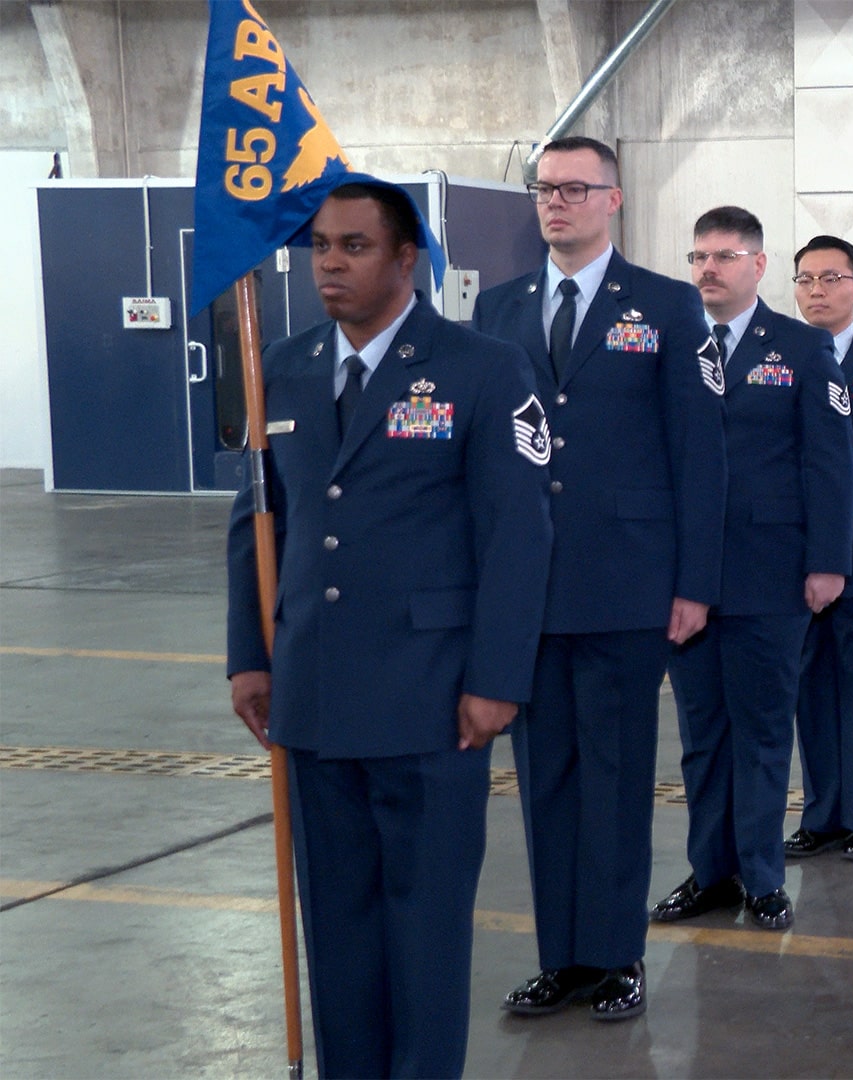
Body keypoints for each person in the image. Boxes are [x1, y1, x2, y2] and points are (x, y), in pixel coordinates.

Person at [226, 179, 552, 1078]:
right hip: (315, 697)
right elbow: (258, 520)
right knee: (337, 926)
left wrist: (497, 681)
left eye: (355, 246)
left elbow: (518, 535)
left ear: (407, 260)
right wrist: (250, 658)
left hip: (431, 699)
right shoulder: (282, 366)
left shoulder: (480, 368)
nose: (331, 262)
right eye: (321, 246)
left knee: (426, 930)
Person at [473, 135, 726, 1022]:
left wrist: (694, 582)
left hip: (628, 582)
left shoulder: (665, 306)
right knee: (545, 780)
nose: (558, 203)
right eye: (546, 189)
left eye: (577, 189)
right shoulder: (498, 310)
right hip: (527, 590)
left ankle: (618, 956)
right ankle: (564, 959)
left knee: (616, 776)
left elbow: (700, 453)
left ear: (614, 201)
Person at [654, 206, 853, 932]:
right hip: (687, 579)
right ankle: (711, 871)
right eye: (698, 255)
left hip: (771, 573)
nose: (708, 268)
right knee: (702, 732)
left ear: (758, 265)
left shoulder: (801, 347)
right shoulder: (672, 345)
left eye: (725, 256)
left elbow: (829, 462)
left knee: (765, 730)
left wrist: (829, 561)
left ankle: (762, 876)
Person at [784, 234, 853, 863]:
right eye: (806, 279)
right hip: (795, 558)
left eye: (831, 278)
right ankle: (821, 814)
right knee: (807, 693)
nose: (817, 291)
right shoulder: (784, 356)